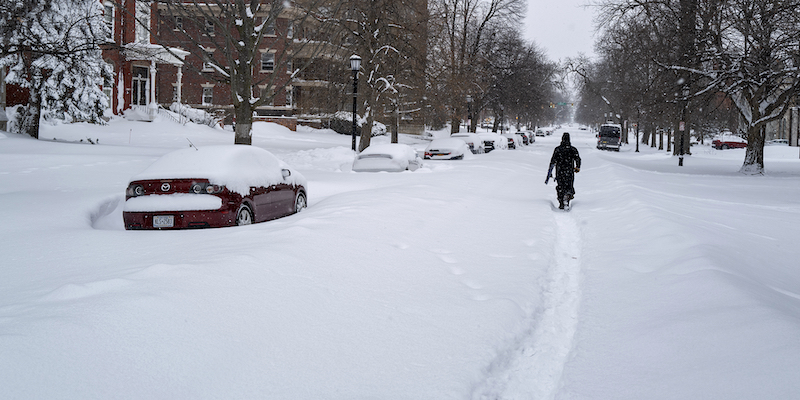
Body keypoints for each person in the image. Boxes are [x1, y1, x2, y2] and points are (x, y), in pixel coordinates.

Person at [547, 132, 581, 209]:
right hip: (569, 171)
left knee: (560, 186)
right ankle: (567, 197)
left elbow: (553, 161)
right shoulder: (573, 149)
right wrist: (577, 167)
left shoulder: (558, 149)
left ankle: (561, 201)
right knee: (569, 185)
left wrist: (550, 172)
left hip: (560, 171)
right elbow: (578, 159)